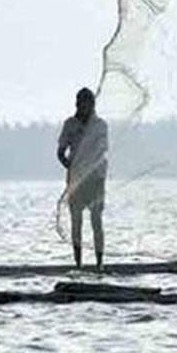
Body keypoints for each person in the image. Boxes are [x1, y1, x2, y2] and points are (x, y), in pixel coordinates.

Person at [57, 87, 109, 270]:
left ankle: (99, 264)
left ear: (92, 105)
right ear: (77, 105)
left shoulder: (100, 125)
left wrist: (89, 168)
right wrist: (71, 168)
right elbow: (61, 152)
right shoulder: (70, 125)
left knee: (96, 220)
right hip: (76, 181)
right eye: (81, 104)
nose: (84, 108)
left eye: (87, 104)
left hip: (95, 180)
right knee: (76, 222)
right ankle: (78, 264)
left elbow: (102, 150)